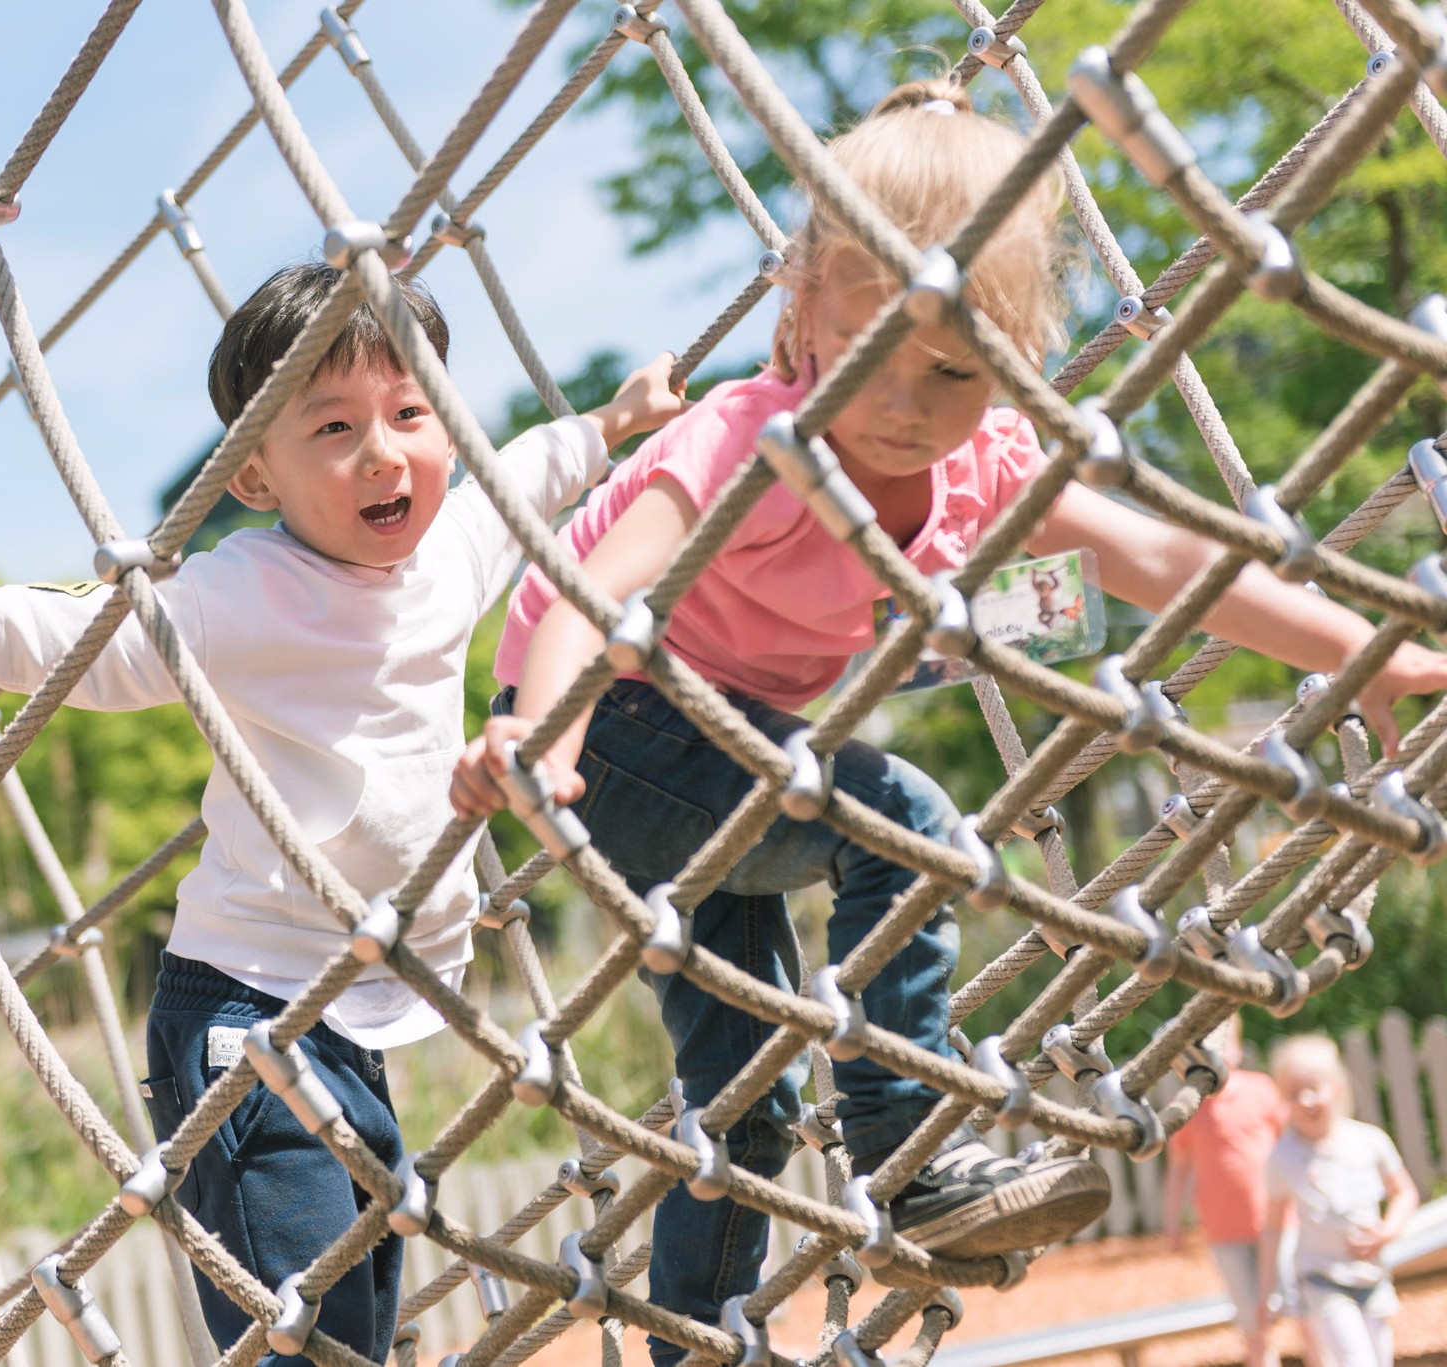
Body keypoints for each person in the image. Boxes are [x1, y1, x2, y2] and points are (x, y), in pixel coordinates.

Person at [449, 77, 1447, 1363]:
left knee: (739, 1099)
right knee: (907, 820)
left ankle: (689, 1339)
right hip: (619, 726)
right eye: (876, 352)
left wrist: (1357, 647)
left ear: (1012, 360)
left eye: (955, 368)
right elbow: (593, 582)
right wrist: (545, 733)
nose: (908, 405)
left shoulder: (983, 472)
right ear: (800, 308)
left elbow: (1158, 555)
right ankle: (907, 1152)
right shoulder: (752, 437)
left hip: (740, 733)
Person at [0, 261, 687, 1366]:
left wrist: (615, 420)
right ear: (255, 476)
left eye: (410, 413)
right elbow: (49, 636)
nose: (380, 450)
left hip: (361, 1005)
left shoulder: (456, 544)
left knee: (358, 1315)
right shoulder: (241, 591)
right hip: (245, 1012)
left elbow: (531, 469)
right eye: (331, 427)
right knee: (303, 1333)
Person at [1262, 1034, 1418, 1367]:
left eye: (1314, 1088)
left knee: (1380, 1359)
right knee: (1356, 1360)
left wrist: (1388, 1231)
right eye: (1293, 1093)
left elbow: (1405, 1192)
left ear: (1338, 1087)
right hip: (1322, 1278)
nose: (1306, 1100)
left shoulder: (1368, 1141)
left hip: (1372, 1276)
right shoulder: (1283, 1156)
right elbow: (1273, 1226)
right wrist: (1266, 1291)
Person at [1165, 1019, 1289, 1367]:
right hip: (1223, 1228)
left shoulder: (1262, 1089)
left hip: (1277, 1224)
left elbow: (1290, 1146)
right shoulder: (1188, 1105)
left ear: (1238, 1047)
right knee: (1250, 1313)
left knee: (1288, 1301)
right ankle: (1262, 1357)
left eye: (1223, 1046)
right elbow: (1179, 1168)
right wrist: (1172, 1220)